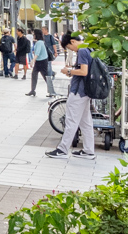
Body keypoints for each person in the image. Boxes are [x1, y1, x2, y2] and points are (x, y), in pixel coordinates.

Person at [46, 32, 97, 160]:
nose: (71, 51)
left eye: (69, 48)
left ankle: (62, 149)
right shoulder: (89, 47)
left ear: (73, 42)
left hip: (79, 92)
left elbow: (83, 72)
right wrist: (73, 71)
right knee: (86, 122)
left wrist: (68, 71)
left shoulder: (82, 51)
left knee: (71, 120)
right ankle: (89, 151)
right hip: (85, 91)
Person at [27, 27, 56, 97]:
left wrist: (32, 61)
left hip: (42, 61)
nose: (33, 35)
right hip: (40, 61)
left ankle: (52, 91)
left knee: (45, 76)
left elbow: (37, 53)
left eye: (34, 34)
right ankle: (32, 90)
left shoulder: (39, 42)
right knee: (34, 75)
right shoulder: (39, 42)